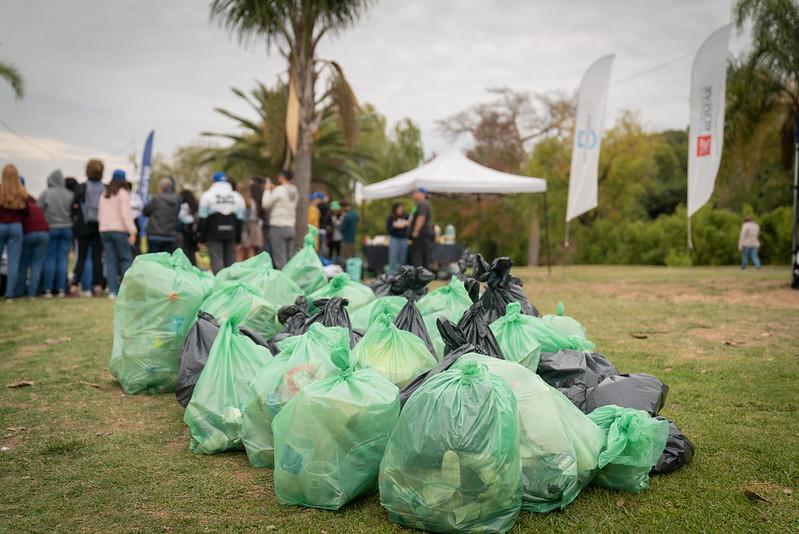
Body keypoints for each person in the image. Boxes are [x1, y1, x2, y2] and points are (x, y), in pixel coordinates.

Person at [98, 170, 137, 299]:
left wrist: (102, 228)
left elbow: (100, 214)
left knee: (110, 261)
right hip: (119, 230)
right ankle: (125, 291)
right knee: (126, 258)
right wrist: (132, 231)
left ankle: (112, 291)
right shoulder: (123, 194)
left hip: (105, 230)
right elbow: (126, 214)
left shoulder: (104, 194)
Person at [198, 172, 245, 274]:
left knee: (217, 263)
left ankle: (220, 286)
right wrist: (238, 239)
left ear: (213, 181)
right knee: (231, 264)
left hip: (213, 233)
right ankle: (231, 286)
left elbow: (202, 218)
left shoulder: (207, 195)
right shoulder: (237, 196)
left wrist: (201, 238)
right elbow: (240, 219)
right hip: (231, 233)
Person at [71, 158, 106, 296]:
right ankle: (98, 286)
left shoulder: (82, 187)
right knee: (97, 257)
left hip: (83, 226)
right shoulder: (105, 188)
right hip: (99, 226)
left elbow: (73, 205)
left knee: (82, 257)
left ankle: (74, 285)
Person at [38, 169, 74, 297]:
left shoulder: (46, 193)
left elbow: (39, 209)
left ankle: (47, 289)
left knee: (50, 258)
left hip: (51, 228)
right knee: (63, 259)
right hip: (67, 228)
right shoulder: (70, 195)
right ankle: (61, 289)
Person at [0, 164, 28, 301]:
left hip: (1, 225)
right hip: (16, 226)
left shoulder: (0, 190)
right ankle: (10, 294)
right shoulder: (21, 192)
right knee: (13, 262)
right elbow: (26, 212)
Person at [15, 186, 49, 298]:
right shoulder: (36, 206)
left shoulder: (21, 207)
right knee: (36, 264)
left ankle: (20, 292)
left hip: (28, 233)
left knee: (23, 264)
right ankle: (32, 293)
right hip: (44, 233)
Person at [261, 169, 298, 268]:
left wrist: (267, 190)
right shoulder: (294, 190)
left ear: (282, 177)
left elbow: (265, 204)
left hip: (278, 228)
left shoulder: (279, 190)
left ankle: (282, 282)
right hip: (290, 227)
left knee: (280, 260)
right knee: (289, 259)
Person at [143, 177, 181, 253]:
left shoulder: (156, 198)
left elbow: (145, 212)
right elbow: (177, 214)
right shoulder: (177, 199)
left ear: (161, 187)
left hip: (154, 235)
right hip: (170, 236)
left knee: (153, 261)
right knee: (166, 262)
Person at [409, 187, 433, 269]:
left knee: (419, 254)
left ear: (422, 194)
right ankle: (422, 273)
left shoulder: (423, 203)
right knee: (421, 253)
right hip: (423, 233)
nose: (414, 194)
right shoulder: (420, 204)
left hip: (422, 233)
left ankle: (420, 273)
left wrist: (415, 231)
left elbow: (421, 218)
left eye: (416, 192)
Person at [238, 182, 263, 261]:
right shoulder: (252, 201)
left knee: (241, 251)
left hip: (244, 228)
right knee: (251, 251)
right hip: (254, 227)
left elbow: (243, 218)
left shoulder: (240, 200)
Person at [386, 203, 410, 274]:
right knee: (393, 256)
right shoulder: (391, 217)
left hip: (404, 239)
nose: (400, 210)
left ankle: (402, 273)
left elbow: (409, 226)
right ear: (395, 209)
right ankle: (392, 274)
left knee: (403, 257)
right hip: (394, 239)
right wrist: (396, 226)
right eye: (399, 209)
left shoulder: (406, 216)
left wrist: (405, 224)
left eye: (401, 209)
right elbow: (389, 229)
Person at [178, 189, 199, 265]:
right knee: (192, 251)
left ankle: (186, 266)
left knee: (185, 249)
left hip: (185, 229)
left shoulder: (184, 206)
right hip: (193, 230)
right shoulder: (195, 205)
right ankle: (194, 265)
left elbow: (180, 216)